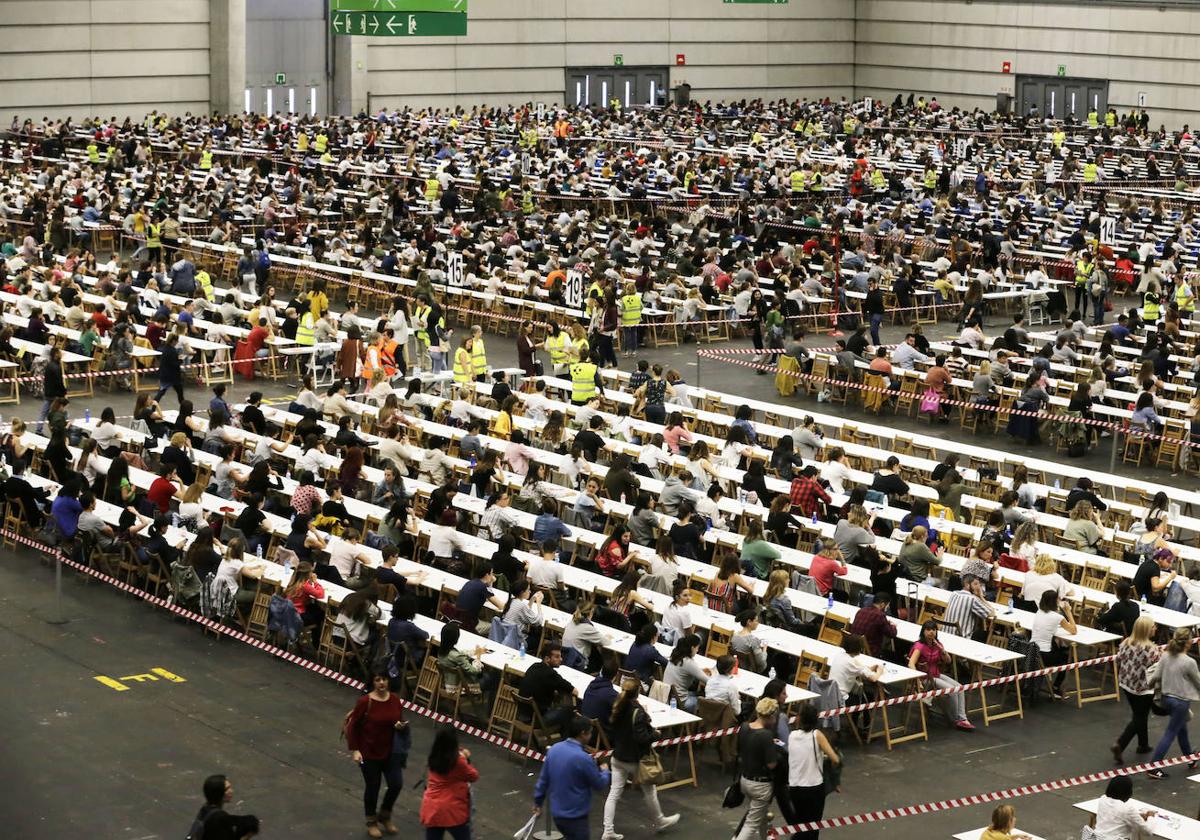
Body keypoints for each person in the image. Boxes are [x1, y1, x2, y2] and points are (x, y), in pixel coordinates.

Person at [601, 677, 681, 839]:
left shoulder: (618, 707)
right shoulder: (637, 712)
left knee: (614, 793)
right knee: (650, 792)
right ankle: (659, 821)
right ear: (638, 692)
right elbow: (641, 738)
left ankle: (607, 830)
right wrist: (655, 734)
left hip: (618, 757)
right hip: (635, 760)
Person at [345, 669, 410, 838]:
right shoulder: (365, 702)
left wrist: (400, 726)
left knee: (396, 784)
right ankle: (371, 821)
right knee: (373, 787)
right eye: (378, 679)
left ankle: (385, 815)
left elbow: (398, 719)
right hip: (369, 752)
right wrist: (355, 749)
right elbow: (353, 726)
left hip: (391, 752)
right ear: (372, 682)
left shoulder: (395, 700)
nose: (382, 683)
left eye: (384, 679)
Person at [532, 716, 611, 840]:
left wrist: (538, 802)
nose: (591, 736)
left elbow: (543, 781)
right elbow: (599, 784)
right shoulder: (584, 759)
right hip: (576, 817)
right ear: (583, 733)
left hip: (558, 814)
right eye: (590, 733)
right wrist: (605, 772)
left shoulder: (554, 749)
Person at [1146, 627, 1200, 778]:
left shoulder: (1166, 655)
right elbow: (1198, 683)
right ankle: (1154, 766)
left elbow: (1155, 676)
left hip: (1165, 698)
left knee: (1181, 729)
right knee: (1171, 732)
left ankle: (1190, 757)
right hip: (1181, 702)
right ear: (1189, 643)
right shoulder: (1189, 662)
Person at [908, 620, 974, 731]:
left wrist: (942, 650)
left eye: (933, 630)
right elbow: (911, 663)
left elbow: (948, 661)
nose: (931, 632)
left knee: (960, 688)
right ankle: (956, 719)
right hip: (925, 678)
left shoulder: (937, 644)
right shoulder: (920, 646)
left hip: (936, 674)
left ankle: (963, 718)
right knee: (951, 690)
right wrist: (917, 680)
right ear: (923, 631)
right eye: (928, 630)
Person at [787, 703, 840, 840]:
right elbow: (835, 759)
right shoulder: (817, 735)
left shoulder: (791, 736)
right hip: (813, 788)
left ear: (799, 718)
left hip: (794, 788)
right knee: (813, 827)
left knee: (801, 824)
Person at [1112, 616, 1161, 764]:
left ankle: (1143, 744)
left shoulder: (1126, 642)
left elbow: (1118, 660)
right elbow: (1159, 669)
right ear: (1147, 630)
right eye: (1153, 626)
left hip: (1127, 685)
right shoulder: (1151, 649)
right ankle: (1120, 744)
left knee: (1140, 714)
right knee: (1139, 717)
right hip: (1143, 688)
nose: (1155, 628)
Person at [732, 698, 781, 840]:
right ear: (771, 716)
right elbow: (772, 764)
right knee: (751, 825)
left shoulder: (745, 727)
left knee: (761, 814)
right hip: (761, 785)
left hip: (745, 780)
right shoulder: (766, 735)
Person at [419, 727, 480, 840]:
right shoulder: (458, 761)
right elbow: (474, 776)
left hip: (432, 808)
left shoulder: (433, 756)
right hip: (452, 810)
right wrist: (465, 758)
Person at [518, 642, 577, 732]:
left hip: (522, 713)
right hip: (537, 719)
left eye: (560, 656)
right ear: (547, 659)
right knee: (569, 711)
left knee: (556, 699)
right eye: (557, 657)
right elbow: (574, 691)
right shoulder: (551, 674)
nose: (561, 659)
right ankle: (562, 740)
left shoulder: (534, 666)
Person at [1031, 590, 1077, 700]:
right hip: (1044, 655)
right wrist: (1068, 612)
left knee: (1057, 648)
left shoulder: (1039, 612)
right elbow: (1073, 630)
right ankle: (1056, 688)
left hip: (1032, 651)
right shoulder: (1057, 617)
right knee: (1066, 658)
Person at [189, 774, 259, 840]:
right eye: (227, 789)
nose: (231, 791)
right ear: (218, 793)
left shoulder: (205, 809)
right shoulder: (219, 817)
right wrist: (247, 836)